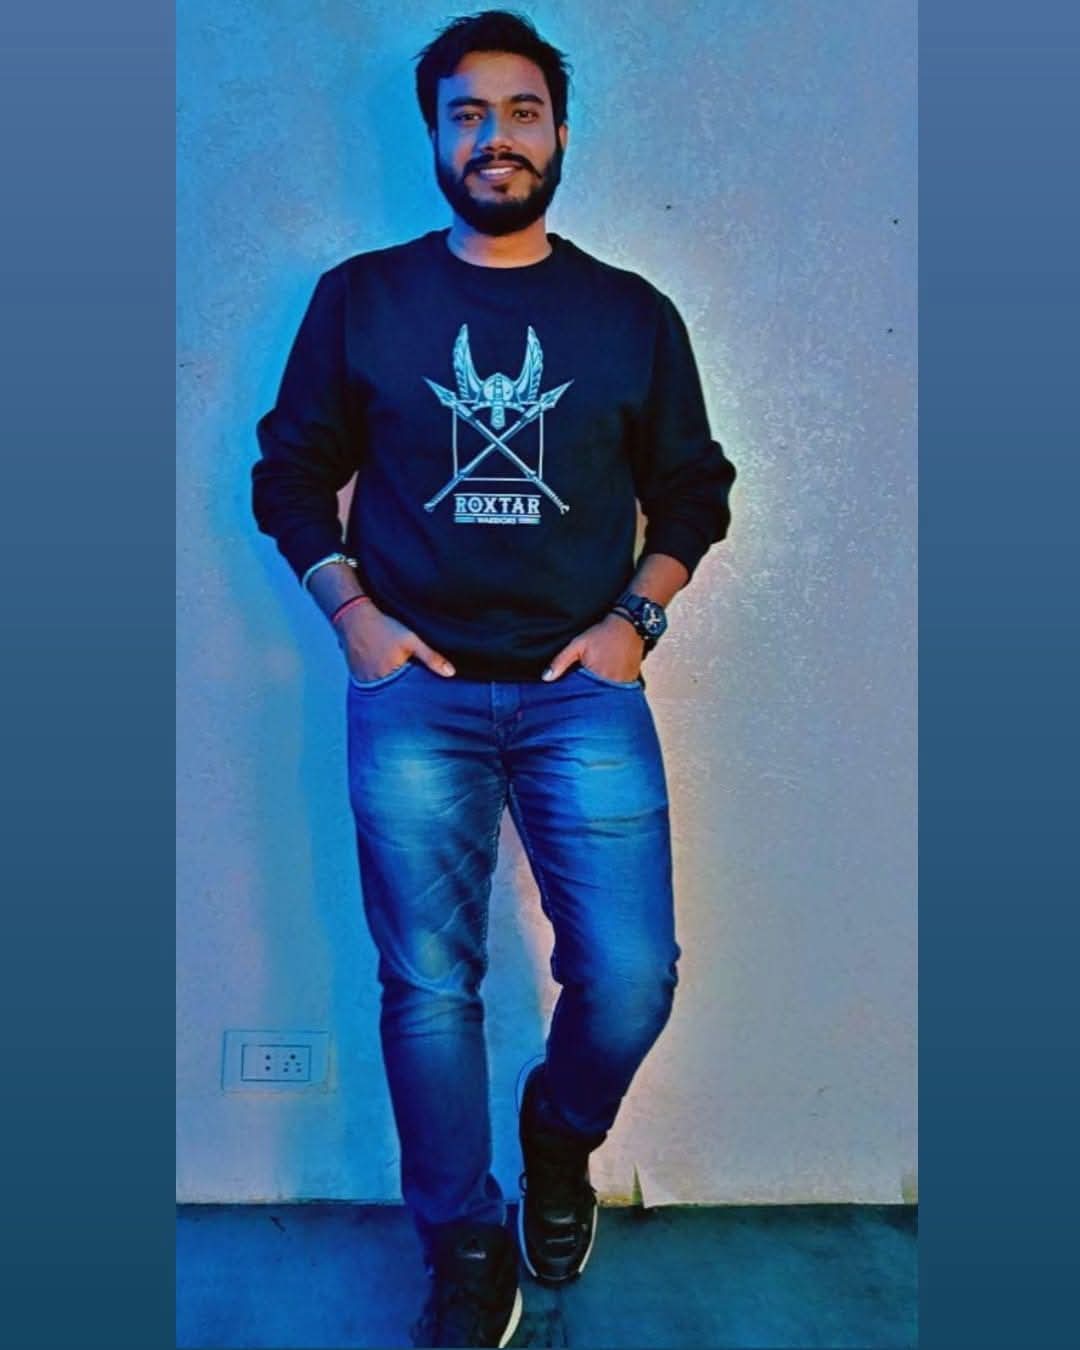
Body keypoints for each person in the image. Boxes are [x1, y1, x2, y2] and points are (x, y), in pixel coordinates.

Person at [251, 10, 737, 1346]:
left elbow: (695, 488)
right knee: (428, 986)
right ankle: (463, 1242)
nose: (495, 137)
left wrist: (638, 615)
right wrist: (352, 614)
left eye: (521, 112)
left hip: (583, 696)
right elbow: (288, 474)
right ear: (434, 136)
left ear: (560, 134)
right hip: (415, 692)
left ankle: (558, 1132)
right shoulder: (362, 299)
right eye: (467, 113)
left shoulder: (630, 315)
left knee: (630, 976)